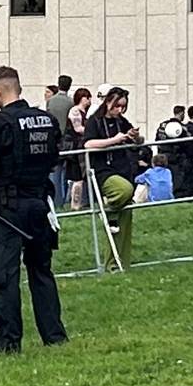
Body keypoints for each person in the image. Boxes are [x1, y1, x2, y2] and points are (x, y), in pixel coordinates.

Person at [0, 67, 65, 354]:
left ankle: (8, 344)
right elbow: (55, 160)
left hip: (7, 209)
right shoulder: (47, 121)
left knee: (1, 276)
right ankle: (54, 337)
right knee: (41, 271)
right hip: (41, 205)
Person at [76, 87, 147, 265]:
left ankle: (117, 264)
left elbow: (135, 140)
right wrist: (114, 140)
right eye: (117, 106)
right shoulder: (95, 121)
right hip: (103, 172)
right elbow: (88, 144)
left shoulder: (121, 121)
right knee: (124, 190)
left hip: (123, 169)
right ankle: (109, 206)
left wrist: (135, 137)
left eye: (123, 107)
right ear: (108, 102)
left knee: (124, 220)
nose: (120, 110)